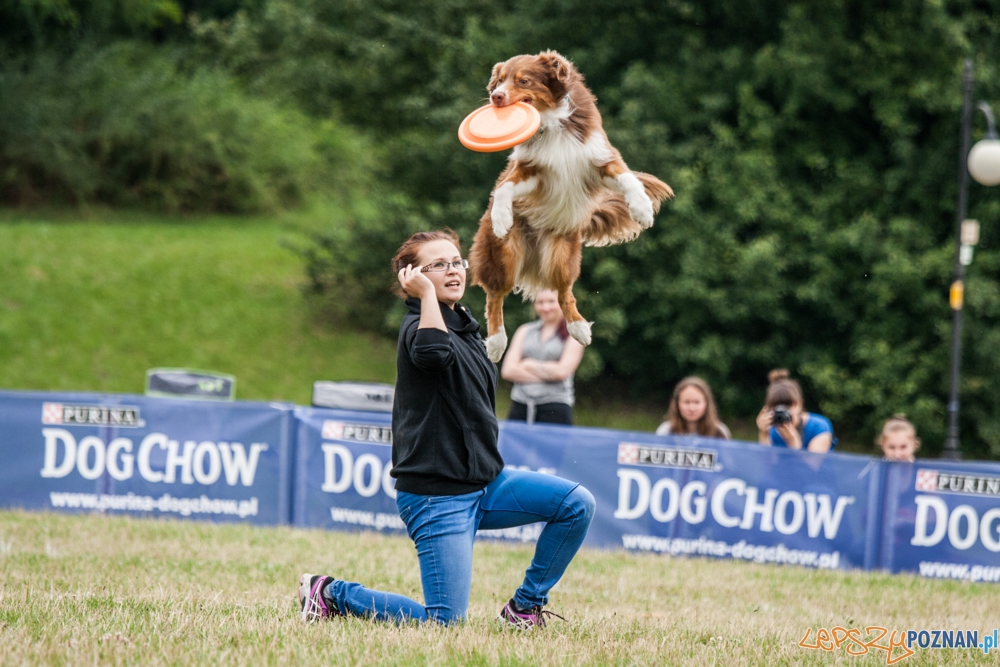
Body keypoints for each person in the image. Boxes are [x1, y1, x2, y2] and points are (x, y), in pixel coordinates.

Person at [297, 229, 595, 629]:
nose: (453, 270)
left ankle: (524, 607)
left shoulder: (464, 326)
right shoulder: (417, 327)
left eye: (456, 261)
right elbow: (434, 353)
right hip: (437, 497)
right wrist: (424, 296)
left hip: (486, 484)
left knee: (576, 504)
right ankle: (331, 593)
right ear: (411, 277)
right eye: (438, 265)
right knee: (444, 623)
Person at [501, 289, 584, 425]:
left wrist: (528, 364)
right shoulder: (524, 331)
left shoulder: (575, 333)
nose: (546, 307)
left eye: (551, 301)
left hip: (555, 408)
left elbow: (562, 372)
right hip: (521, 405)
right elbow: (508, 371)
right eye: (540, 302)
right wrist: (549, 375)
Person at [755, 369, 836, 452]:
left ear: (799, 405)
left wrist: (793, 443)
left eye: (788, 405)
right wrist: (763, 434)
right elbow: (767, 459)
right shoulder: (773, 430)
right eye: (777, 406)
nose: (782, 410)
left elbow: (814, 460)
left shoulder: (819, 426)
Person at [655, 377, 731, 439]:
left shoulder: (720, 432)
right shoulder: (665, 431)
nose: (691, 408)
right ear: (677, 404)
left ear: (706, 404)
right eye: (687, 402)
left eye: (697, 402)